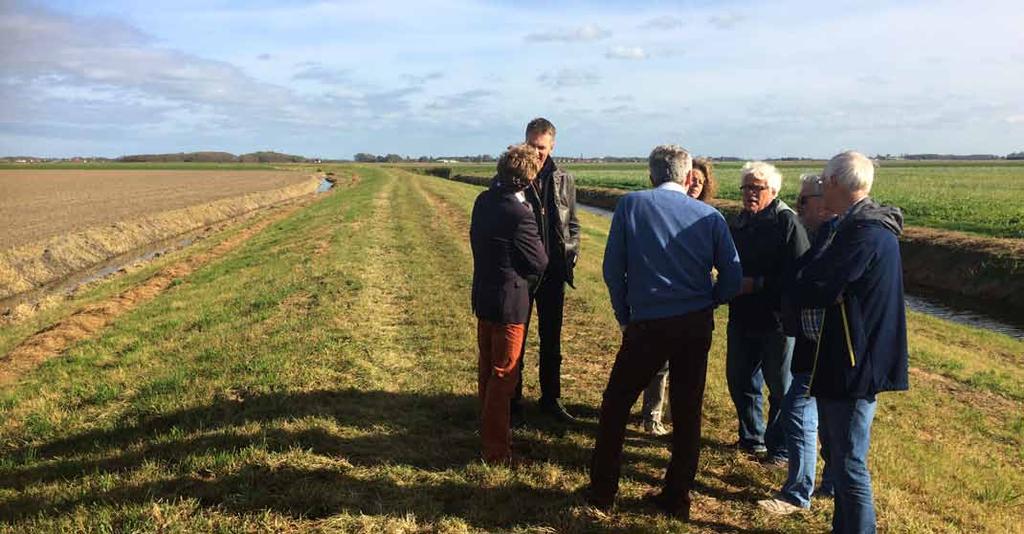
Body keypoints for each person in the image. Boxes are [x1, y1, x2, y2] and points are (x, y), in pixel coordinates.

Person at [588, 145, 742, 519]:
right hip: (694, 324)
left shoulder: (631, 206)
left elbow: (613, 269)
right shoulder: (710, 216)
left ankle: (603, 491)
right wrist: (710, 300)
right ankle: (677, 495)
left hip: (648, 323)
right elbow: (733, 276)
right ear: (689, 177)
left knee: (616, 404)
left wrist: (624, 314)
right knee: (688, 411)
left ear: (651, 174)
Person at [792, 151, 909, 533]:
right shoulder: (851, 228)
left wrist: (818, 285)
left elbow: (818, 286)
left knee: (849, 464)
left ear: (839, 184)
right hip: (844, 357)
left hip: (855, 363)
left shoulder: (865, 233)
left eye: (825, 182)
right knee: (840, 458)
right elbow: (818, 280)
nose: (822, 189)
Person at [758, 174, 837, 514]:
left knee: (798, 410)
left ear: (825, 201)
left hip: (826, 348)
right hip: (817, 345)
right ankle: (831, 483)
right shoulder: (823, 236)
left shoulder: (837, 240)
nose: (799, 204)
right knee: (831, 418)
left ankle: (797, 494)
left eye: (804, 199)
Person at [470, 144, 548, 464]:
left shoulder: (483, 200)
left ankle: (491, 436)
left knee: (487, 371)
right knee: (504, 376)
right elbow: (539, 262)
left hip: (484, 296)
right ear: (526, 179)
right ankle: (497, 451)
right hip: (508, 304)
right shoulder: (519, 214)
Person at [726, 161, 809, 463]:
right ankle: (751, 439)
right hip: (742, 315)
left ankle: (780, 448)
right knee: (740, 379)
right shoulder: (739, 221)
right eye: (746, 187)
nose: (750, 193)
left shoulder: (787, 222)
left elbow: (800, 275)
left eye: (756, 188)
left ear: (773, 190)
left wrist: (757, 284)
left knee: (780, 386)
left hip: (777, 320)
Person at [639, 157, 717, 436]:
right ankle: (652, 415)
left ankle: (679, 415)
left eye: (700, 181)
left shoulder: (708, 214)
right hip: (666, 295)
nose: (695, 184)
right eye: (691, 179)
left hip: (696, 298)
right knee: (660, 364)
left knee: (689, 366)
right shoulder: (666, 211)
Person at [512, 117, 581, 426]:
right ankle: (513, 401)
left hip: (553, 273)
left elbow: (573, 224)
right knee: (517, 339)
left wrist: (572, 254)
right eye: (531, 146)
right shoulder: (516, 176)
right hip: (522, 274)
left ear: (552, 145)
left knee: (552, 340)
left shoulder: (563, 178)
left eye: (541, 147)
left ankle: (551, 399)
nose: (536, 153)